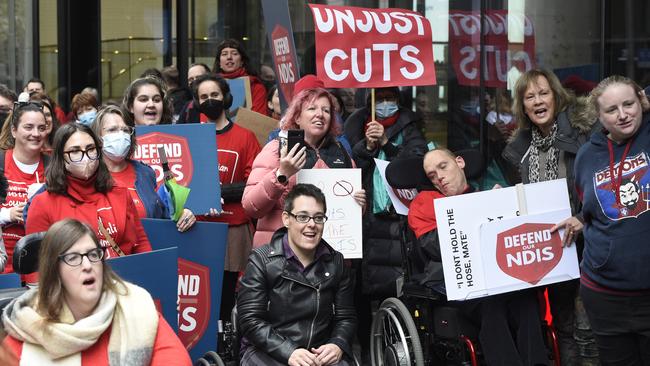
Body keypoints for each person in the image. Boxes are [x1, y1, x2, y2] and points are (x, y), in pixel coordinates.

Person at [408, 148, 549, 366]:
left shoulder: (485, 194)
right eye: (432, 176)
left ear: (460, 162)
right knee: (491, 307)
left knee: (526, 301)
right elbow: (434, 247)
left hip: (498, 277)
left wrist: (500, 207)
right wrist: (478, 214)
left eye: (443, 167)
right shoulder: (424, 203)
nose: (439, 178)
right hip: (455, 283)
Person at [503, 68, 599, 365]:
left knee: (588, 331)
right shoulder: (519, 151)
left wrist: (583, 217)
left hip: (589, 249)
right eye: (529, 96)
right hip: (553, 254)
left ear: (556, 97)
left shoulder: (585, 135)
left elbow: (603, 186)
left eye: (543, 93)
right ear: (523, 106)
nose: (538, 101)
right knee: (563, 328)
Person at [2, 218, 191, 365]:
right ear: (54, 270)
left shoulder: (136, 309)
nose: (87, 265)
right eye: (74, 258)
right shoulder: (26, 328)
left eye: (93, 255)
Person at [572, 75, 650, 365]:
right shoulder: (586, 157)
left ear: (641, 102)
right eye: (612, 109)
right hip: (606, 296)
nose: (623, 114)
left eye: (629, 104)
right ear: (599, 116)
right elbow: (589, 207)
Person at [343, 86, 426, 358]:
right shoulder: (356, 127)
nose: (386, 104)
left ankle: (401, 352)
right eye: (382, 99)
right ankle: (370, 352)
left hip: (398, 222)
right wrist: (367, 147)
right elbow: (352, 169)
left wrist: (387, 145)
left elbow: (416, 164)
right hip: (366, 221)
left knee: (399, 289)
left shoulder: (411, 127)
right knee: (364, 292)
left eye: (391, 99)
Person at [238, 184, 356, 366]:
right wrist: (289, 351)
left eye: (318, 218)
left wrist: (337, 344)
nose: (312, 225)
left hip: (318, 353)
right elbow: (250, 320)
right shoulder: (262, 261)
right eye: (302, 217)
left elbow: (345, 317)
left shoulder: (336, 262)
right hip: (268, 350)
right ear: (286, 219)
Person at [242, 87, 364, 247]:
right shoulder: (276, 149)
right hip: (282, 257)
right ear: (297, 117)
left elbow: (350, 215)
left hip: (327, 258)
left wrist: (359, 204)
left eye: (326, 110)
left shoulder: (341, 153)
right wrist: (281, 174)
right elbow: (251, 206)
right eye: (312, 108)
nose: (320, 114)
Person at [25, 123, 152, 260]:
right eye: (75, 151)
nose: (85, 156)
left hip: (122, 277)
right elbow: (37, 265)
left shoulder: (120, 193)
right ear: (61, 158)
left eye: (91, 148)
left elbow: (140, 243)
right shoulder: (43, 203)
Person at [190, 73, 260, 320]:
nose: (210, 100)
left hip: (233, 228)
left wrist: (216, 193)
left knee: (229, 294)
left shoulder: (245, 137)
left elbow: (254, 181)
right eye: (204, 97)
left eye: (215, 95)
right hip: (198, 227)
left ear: (226, 97)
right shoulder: (190, 137)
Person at [90, 105, 195, 230]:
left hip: (149, 246)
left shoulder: (145, 173)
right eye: (112, 130)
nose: (120, 135)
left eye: (125, 130)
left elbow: (162, 214)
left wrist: (184, 213)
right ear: (98, 138)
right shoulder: (90, 176)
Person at [0, 102, 49, 281]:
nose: (35, 134)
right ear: (14, 130)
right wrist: (8, 214)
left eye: (41, 128)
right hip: (3, 270)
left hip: (42, 271)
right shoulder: (1, 162)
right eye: (28, 127)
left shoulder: (54, 167)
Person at [212, 39, 268, 115]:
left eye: (234, 54)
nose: (229, 57)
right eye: (224, 54)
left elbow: (258, 120)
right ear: (219, 63)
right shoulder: (210, 85)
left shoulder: (256, 86)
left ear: (242, 61)